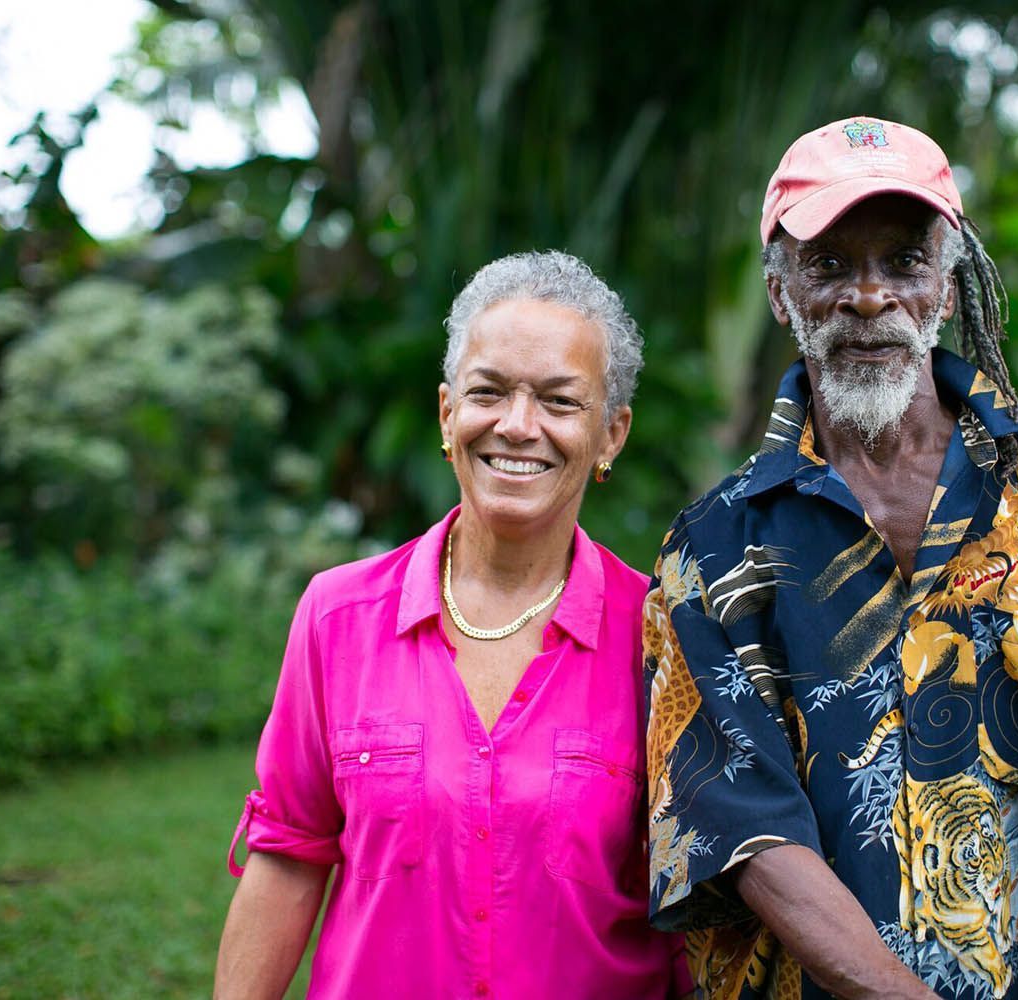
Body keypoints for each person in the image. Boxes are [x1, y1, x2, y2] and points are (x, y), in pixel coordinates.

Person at [644, 118, 1018, 1000]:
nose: (868, 297)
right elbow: (748, 837)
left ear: (946, 282)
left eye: (902, 261)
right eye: (828, 266)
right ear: (780, 294)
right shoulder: (714, 548)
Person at [215, 251, 688, 998]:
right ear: (447, 413)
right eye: (488, 392)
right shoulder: (337, 616)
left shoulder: (663, 637)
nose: (518, 425)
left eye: (561, 402)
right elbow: (289, 854)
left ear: (612, 434)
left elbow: (691, 910)